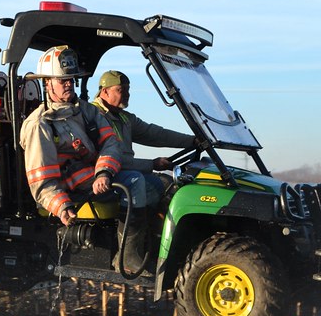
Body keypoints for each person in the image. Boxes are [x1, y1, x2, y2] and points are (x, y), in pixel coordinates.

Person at [19, 46, 150, 274]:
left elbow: (111, 143)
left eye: (71, 79)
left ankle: (145, 249)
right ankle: (127, 257)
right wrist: (61, 205)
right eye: (62, 80)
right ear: (47, 83)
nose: (68, 84)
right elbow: (42, 181)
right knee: (136, 182)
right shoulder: (39, 125)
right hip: (75, 189)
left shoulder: (85, 110)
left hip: (96, 178)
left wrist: (104, 172)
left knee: (157, 184)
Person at [91, 70, 196, 208]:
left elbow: (156, 134)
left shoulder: (124, 118)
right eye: (121, 90)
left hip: (123, 171)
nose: (127, 94)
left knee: (166, 182)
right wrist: (152, 164)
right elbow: (111, 160)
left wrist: (192, 141)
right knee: (138, 181)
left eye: (128, 90)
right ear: (105, 91)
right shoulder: (93, 116)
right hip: (102, 176)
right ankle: (132, 222)